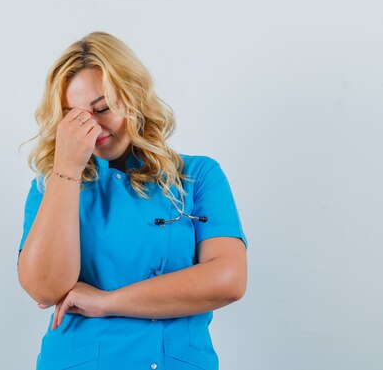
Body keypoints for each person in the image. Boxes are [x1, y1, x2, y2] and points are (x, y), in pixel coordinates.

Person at [17, 31, 248, 370]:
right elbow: (45, 289)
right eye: (74, 117)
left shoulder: (198, 176)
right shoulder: (50, 187)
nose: (91, 129)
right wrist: (66, 170)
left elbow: (228, 279)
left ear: (134, 96)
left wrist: (108, 302)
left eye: (102, 108)